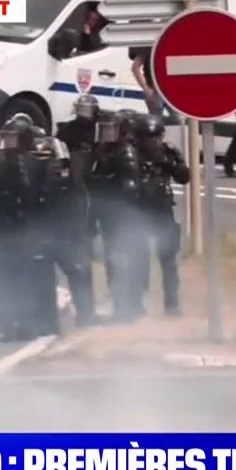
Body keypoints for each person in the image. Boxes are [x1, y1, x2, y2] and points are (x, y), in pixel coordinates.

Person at [0, 116, 53, 340]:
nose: (7, 144)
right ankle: (5, 323)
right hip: (1, 232)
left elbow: (44, 198)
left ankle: (26, 323)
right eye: (6, 139)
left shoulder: (37, 164)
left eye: (12, 139)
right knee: (2, 280)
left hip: (24, 233)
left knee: (24, 279)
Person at [32, 130, 97, 328]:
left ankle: (86, 317)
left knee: (78, 273)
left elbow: (78, 208)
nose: (52, 167)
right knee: (42, 278)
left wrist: (76, 235)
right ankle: (48, 321)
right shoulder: (35, 179)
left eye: (52, 160)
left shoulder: (71, 184)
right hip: (46, 235)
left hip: (67, 236)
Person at [132, 113, 192, 316]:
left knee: (168, 260)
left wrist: (172, 163)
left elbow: (184, 177)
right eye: (149, 138)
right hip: (138, 211)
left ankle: (172, 305)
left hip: (162, 211)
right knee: (139, 258)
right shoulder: (131, 153)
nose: (153, 142)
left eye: (157, 137)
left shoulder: (169, 151)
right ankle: (139, 303)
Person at [88, 109, 145, 321]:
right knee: (112, 264)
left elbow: (129, 189)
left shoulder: (126, 153)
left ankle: (128, 308)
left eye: (110, 130)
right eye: (102, 130)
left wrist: (102, 183)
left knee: (123, 263)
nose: (105, 134)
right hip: (106, 217)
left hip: (123, 220)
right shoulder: (100, 150)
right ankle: (120, 306)